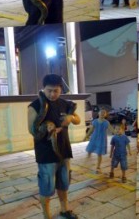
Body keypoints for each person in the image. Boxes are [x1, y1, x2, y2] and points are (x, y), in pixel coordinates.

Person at [28, 74, 81, 219]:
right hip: (46, 154)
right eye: (49, 90)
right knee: (47, 187)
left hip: (64, 151)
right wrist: (46, 127)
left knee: (64, 183)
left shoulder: (65, 104)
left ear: (61, 89)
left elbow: (78, 119)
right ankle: (47, 216)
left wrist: (71, 118)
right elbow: (32, 130)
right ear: (43, 89)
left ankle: (64, 210)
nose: (52, 94)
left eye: (55, 91)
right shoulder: (35, 105)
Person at [85, 109, 111, 173]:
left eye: (104, 113)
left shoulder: (106, 122)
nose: (102, 113)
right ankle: (88, 157)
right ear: (98, 114)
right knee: (90, 148)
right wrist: (86, 136)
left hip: (102, 139)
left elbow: (112, 129)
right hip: (94, 137)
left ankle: (98, 166)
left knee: (99, 153)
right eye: (101, 112)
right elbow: (91, 130)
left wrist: (117, 133)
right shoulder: (95, 121)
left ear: (105, 115)